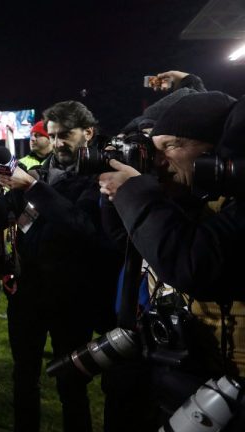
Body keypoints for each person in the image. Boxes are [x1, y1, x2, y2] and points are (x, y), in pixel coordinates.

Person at [99, 92, 244, 426]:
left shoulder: (234, 207)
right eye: (155, 149)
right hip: (180, 370)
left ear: (215, 151)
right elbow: (129, 242)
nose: (159, 160)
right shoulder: (188, 201)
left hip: (227, 385)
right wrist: (116, 196)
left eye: (173, 145)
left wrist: (135, 194)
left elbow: (190, 265)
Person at [0, 100, 122, 432]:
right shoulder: (40, 171)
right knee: (24, 377)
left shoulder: (102, 175)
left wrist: (34, 187)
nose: (58, 143)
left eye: (66, 135)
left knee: (71, 383)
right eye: (54, 135)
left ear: (88, 133)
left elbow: (83, 227)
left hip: (72, 300)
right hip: (27, 295)